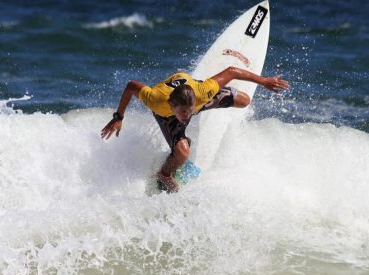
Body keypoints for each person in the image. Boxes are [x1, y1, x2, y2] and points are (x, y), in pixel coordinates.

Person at [101, 66, 290, 193]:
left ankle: (193, 108)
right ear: (172, 105)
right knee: (183, 153)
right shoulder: (157, 101)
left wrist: (263, 80)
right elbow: (131, 86)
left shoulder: (202, 93)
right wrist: (118, 117)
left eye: (190, 112)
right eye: (183, 112)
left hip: (194, 92)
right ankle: (164, 174)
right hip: (167, 116)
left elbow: (232, 71)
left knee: (244, 101)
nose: (187, 117)